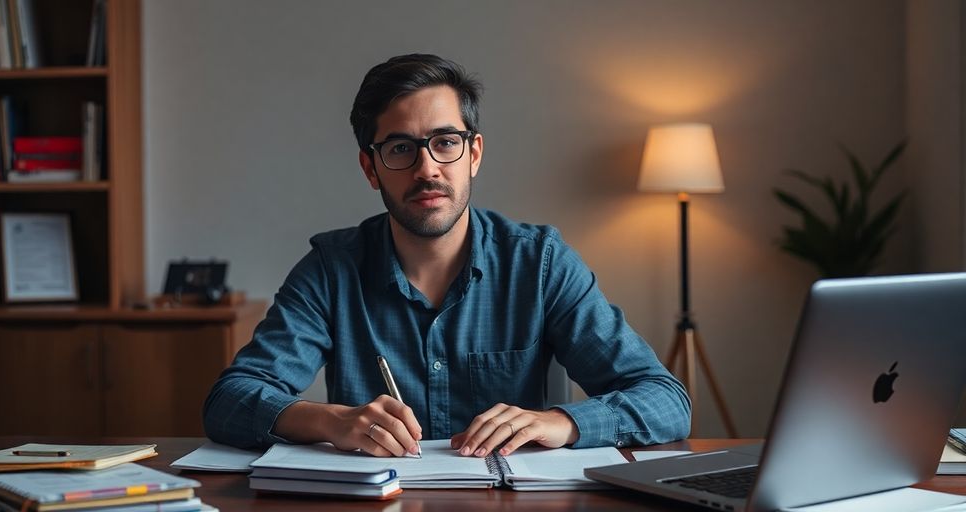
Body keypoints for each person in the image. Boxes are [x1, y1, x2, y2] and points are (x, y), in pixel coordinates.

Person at [203, 54, 691, 459]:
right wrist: (329, 420)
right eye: (400, 149)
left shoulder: (540, 262)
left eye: (445, 143)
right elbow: (229, 401)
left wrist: (561, 422)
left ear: (473, 153)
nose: (426, 168)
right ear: (370, 168)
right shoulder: (331, 269)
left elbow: (667, 401)